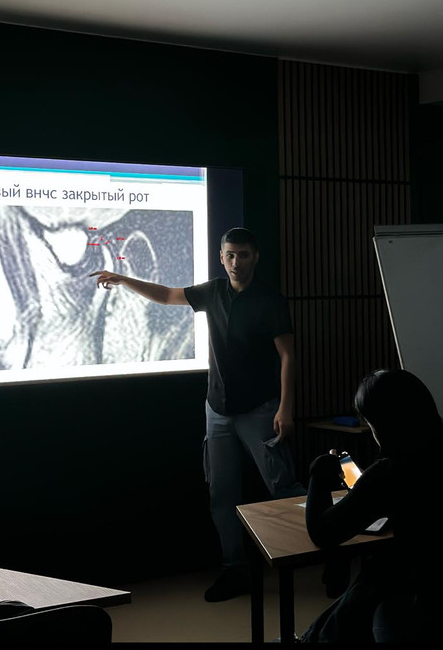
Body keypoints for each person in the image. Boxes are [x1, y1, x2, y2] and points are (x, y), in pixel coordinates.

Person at [90, 226, 306, 602]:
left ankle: (334, 545)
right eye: (230, 255)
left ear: (255, 257)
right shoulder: (213, 291)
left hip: (259, 409)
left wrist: (286, 407)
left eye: (243, 255)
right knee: (221, 495)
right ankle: (235, 569)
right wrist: (124, 279)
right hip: (217, 410)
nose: (236, 262)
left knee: (282, 487)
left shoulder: (269, 300)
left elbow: (288, 356)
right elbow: (168, 295)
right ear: (221, 258)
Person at [300, 368, 443, 644]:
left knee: (374, 581)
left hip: (426, 606)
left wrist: (319, 474)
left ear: (381, 425)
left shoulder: (391, 473)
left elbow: (323, 533)